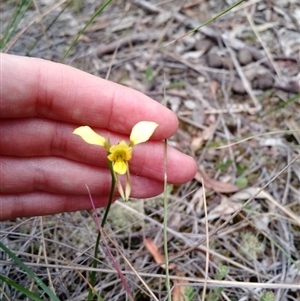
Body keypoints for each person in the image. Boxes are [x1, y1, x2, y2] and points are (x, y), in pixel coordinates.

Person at [0, 53, 197, 221]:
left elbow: (147, 128)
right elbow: (86, 134)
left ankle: (123, 189)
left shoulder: (130, 145)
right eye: (118, 155)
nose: (120, 157)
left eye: (121, 155)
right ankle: (123, 188)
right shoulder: (115, 149)